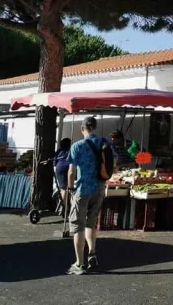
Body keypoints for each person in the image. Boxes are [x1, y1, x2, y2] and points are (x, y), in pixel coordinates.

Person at [66, 116, 109, 275]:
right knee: (91, 223)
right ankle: (92, 253)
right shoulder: (104, 143)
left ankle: (79, 263)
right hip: (99, 188)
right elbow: (113, 163)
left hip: (83, 189)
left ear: (82, 128)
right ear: (95, 127)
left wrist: (70, 189)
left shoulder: (77, 146)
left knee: (78, 225)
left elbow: (71, 172)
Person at [52, 138, 72, 216]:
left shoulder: (59, 151)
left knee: (62, 188)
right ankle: (63, 207)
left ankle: (61, 204)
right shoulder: (70, 151)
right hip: (66, 168)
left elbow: (54, 162)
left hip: (58, 168)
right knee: (65, 189)